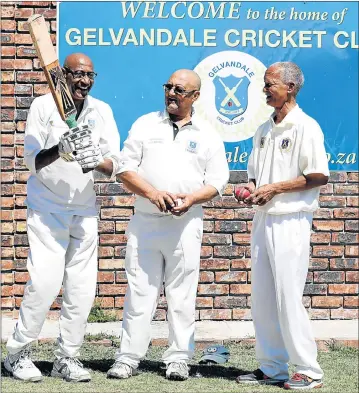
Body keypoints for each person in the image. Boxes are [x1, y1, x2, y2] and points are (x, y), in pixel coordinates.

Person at [5, 53, 121, 383]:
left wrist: (93, 159)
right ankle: (17, 353)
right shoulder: (44, 107)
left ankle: (66, 357)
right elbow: (31, 161)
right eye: (77, 75)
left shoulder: (102, 111)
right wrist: (61, 148)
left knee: (82, 290)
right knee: (43, 283)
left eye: (90, 75)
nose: (84, 81)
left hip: (84, 211)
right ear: (63, 76)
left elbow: (114, 164)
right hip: (47, 210)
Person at [107, 69, 229, 381]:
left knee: (181, 296)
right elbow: (124, 167)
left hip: (185, 224)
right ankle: (128, 357)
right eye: (169, 87)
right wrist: (152, 193)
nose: (172, 93)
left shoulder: (208, 134)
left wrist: (191, 199)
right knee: (140, 293)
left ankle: (178, 359)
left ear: (195, 97)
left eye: (180, 90)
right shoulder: (146, 124)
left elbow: (217, 181)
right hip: (145, 222)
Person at [235, 62, 329, 390]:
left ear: (290, 87)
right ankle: (271, 366)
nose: (264, 90)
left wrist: (275, 188)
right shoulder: (264, 129)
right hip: (263, 220)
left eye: (269, 84)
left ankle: (308, 370)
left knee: (288, 297)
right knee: (261, 298)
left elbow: (318, 175)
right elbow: (255, 177)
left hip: (291, 220)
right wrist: (250, 189)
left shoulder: (306, 127)